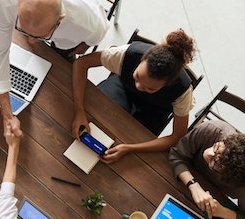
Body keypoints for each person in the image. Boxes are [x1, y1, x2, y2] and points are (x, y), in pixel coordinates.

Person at [0, 0, 110, 137]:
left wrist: (82, 47)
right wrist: (7, 114)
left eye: (38, 36)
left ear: (60, 20)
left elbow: (93, 39)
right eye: (23, 30)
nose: (30, 40)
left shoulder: (87, 24)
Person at [72, 29, 198, 163]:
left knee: (131, 143)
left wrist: (129, 148)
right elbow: (81, 63)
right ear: (142, 60)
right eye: (137, 76)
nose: (139, 86)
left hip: (155, 110)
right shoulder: (128, 54)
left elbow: (178, 136)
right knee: (97, 117)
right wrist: (79, 111)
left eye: (150, 87)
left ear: (167, 84)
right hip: (122, 87)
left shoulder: (182, 91)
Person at [169, 120, 245, 219]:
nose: (208, 153)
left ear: (228, 176)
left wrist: (221, 211)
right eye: (216, 148)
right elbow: (176, 155)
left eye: (215, 162)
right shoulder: (211, 129)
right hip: (177, 180)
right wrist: (194, 186)